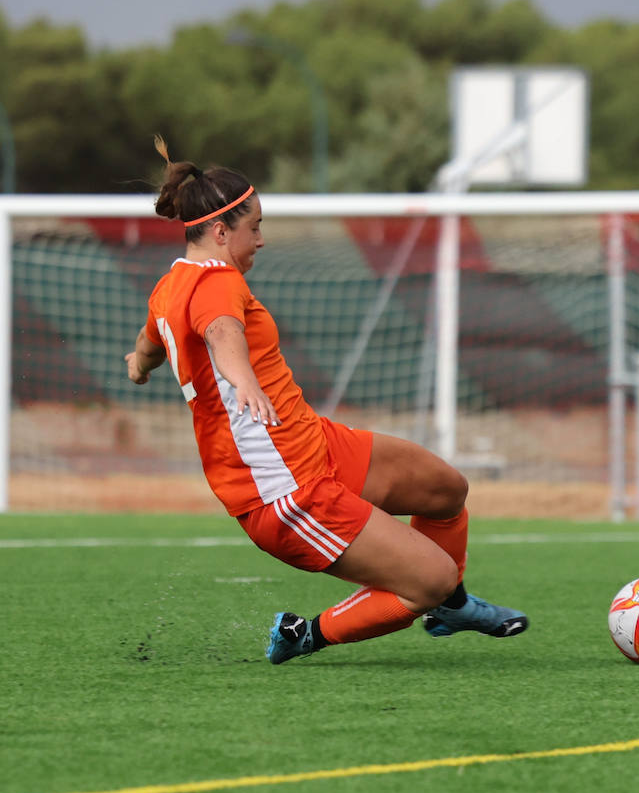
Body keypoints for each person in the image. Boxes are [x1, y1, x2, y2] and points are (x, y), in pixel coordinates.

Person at [126, 137, 528, 665]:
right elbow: (224, 336)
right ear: (221, 232)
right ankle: (305, 633)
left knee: (446, 489)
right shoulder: (217, 285)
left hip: (314, 444)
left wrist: (138, 367)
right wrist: (241, 379)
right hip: (286, 493)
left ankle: (448, 606)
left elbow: (149, 345)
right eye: (256, 227)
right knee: (428, 581)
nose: (262, 240)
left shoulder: (170, 288)